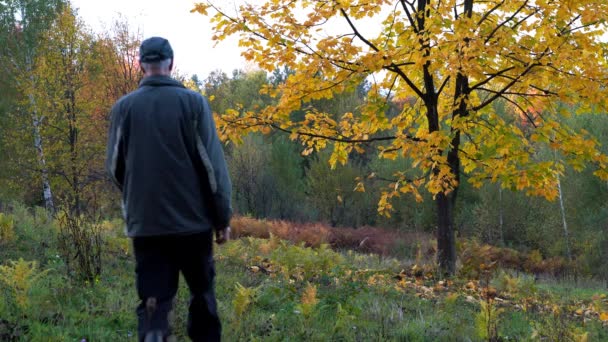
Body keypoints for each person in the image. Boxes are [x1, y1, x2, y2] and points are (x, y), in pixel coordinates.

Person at [105, 36, 232, 342]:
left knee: (154, 303)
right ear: (171, 64)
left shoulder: (123, 109)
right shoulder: (193, 104)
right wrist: (222, 218)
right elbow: (212, 168)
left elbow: (115, 169)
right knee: (202, 296)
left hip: (146, 225)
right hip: (194, 224)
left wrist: (140, 199)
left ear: (140, 65)